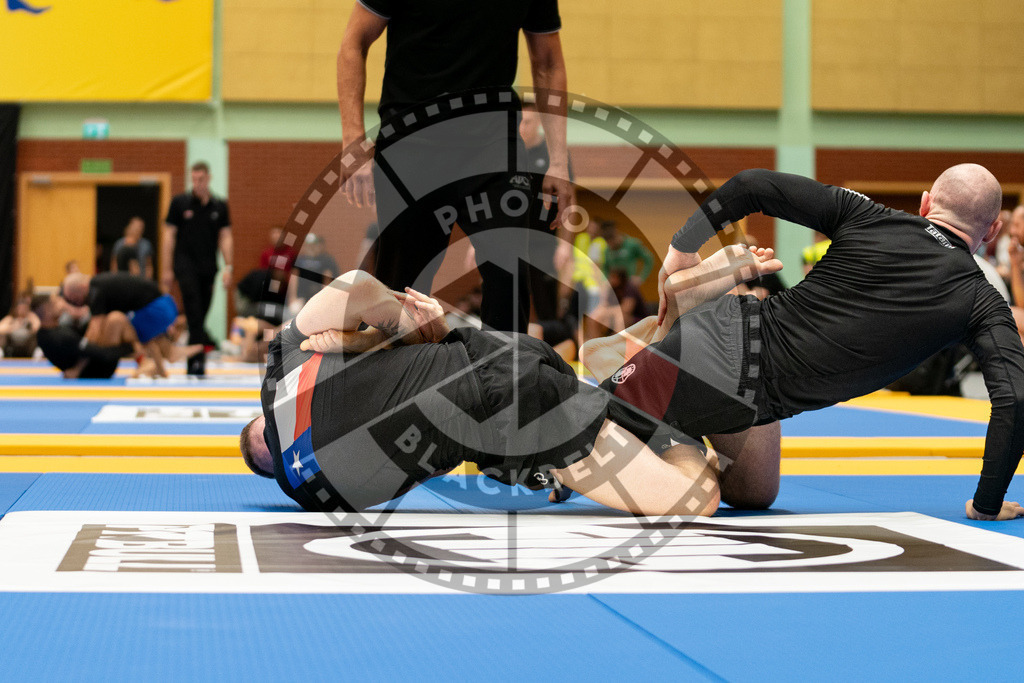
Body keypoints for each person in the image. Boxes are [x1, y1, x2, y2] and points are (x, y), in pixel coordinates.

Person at [236, 258, 799, 515]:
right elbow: (358, 286)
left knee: (696, 499)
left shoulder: (306, 487)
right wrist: (379, 334)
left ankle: (678, 358)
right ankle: (667, 355)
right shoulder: (283, 370)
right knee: (753, 492)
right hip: (495, 353)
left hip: (510, 411)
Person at [648, 165, 1024, 521]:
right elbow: (1016, 398)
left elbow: (750, 185)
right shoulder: (982, 300)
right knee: (678, 483)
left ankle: (676, 419)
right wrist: (986, 504)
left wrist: (682, 248)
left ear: (925, 203)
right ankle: (686, 303)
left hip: (750, 380)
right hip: (723, 355)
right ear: (993, 230)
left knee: (754, 494)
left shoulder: (867, 213)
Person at [336, 0, 575, 333]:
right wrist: (353, 142)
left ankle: (505, 364)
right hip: (412, 143)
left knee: (509, 269)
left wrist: (558, 160)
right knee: (401, 286)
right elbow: (353, 42)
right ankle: (395, 362)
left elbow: (548, 61)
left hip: (493, 144)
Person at [60, 271, 197, 377]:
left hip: (158, 309)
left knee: (117, 327)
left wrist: (79, 366)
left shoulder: (95, 290)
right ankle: (161, 366)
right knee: (134, 333)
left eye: (74, 298)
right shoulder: (100, 283)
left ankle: (147, 361)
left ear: (81, 287)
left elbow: (94, 332)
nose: (76, 302)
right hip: (166, 305)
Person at [162, 161, 233, 350]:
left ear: (208, 178)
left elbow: (225, 237)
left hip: (208, 267)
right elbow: (168, 236)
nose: (197, 183)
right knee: (193, 305)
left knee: (201, 311)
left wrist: (228, 267)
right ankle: (196, 355)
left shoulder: (219, 206)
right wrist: (167, 269)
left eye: (201, 179)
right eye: (194, 179)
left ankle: (195, 346)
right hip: (185, 264)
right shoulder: (180, 203)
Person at [288, 233, 341, 313]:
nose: (311, 248)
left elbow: (327, 279)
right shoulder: (300, 259)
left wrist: (325, 298)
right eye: (308, 245)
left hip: (318, 296)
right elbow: (294, 278)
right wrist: (292, 297)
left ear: (320, 245)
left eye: (314, 245)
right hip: (301, 296)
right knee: (294, 310)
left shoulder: (327, 259)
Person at [599, 220, 654, 290]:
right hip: (614, 287)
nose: (610, 246)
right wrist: (605, 280)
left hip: (629, 286)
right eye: (608, 243)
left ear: (616, 237)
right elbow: (605, 267)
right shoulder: (607, 249)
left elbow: (649, 259)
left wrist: (641, 277)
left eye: (611, 243)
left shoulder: (632, 244)